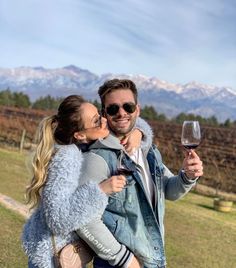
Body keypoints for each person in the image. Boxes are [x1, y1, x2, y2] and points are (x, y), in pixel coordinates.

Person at [77, 79, 204, 268]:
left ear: (137, 109)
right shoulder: (97, 158)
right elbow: (82, 217)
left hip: (153, 260)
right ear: (104, 114)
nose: (121, 113)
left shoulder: (148, 150)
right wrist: (123, 259)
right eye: (113, 109)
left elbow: (169, 190)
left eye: (127, 107)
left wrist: (188, 176)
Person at [22, 95, 152, 268]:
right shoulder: (67, 156)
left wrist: (138, 132)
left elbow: (128, 122)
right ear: (80, 134)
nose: (104, 120)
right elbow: (58, 218)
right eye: (97, 121)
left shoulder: (82, 145)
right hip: (51, 259)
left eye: (100, 114)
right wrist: (100, 190)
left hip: (63, 254)